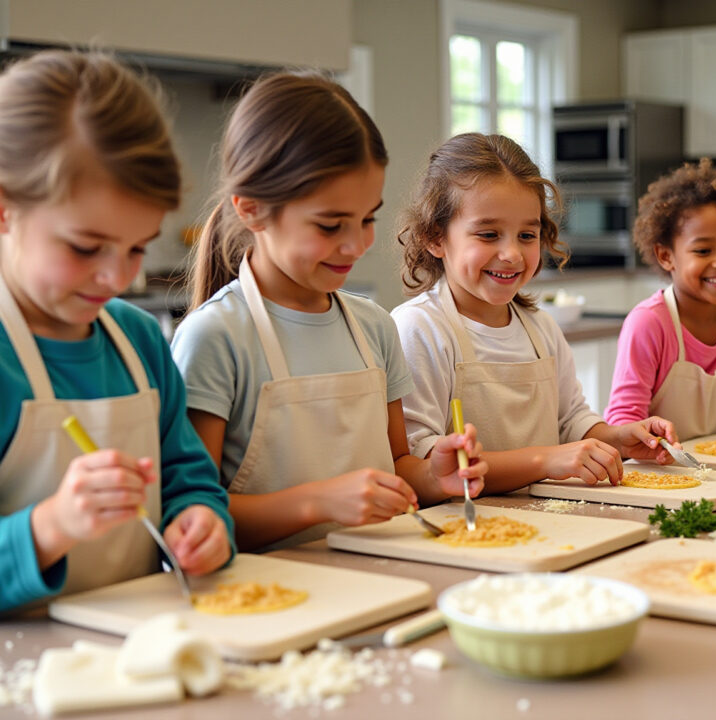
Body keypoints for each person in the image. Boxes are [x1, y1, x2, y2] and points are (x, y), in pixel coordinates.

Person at [0, 51, 235, 627]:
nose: (118, 277)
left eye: (137, 247)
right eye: (84, 247)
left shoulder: (139, 341)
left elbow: (190, 481)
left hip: (143, 655)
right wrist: (51, 527)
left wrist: (203, 522)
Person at [171, 73, 485, 553]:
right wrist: (318, 503)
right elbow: (193, 517)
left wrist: (433, 474)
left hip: (384, 577)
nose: (356, 243)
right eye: (330, 224)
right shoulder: (215, 337)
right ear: (252, 210)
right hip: (269, 600)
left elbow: (397, 464)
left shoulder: (374, 327)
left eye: (367, 218)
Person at [392, 133, 675, 492]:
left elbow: (571, 420)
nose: (511, 253)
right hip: (467, 530)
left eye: (527, 235)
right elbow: (422, 463)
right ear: (435, 237)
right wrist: (546, 460)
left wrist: (619, 439)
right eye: (489, 234)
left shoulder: (540, 327)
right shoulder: (420, 328)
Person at [604, 158, 716, 441]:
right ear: (666, 256)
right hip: (653, 476)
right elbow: (624, 420)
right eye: (703, 251)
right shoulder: (649, 323)